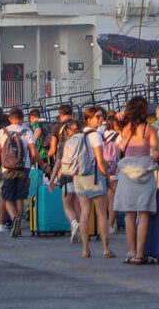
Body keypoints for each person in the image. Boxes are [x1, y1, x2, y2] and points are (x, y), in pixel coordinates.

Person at [113, 96, 158, 264]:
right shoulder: (149, 129)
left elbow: (117, 125)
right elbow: (156, 151)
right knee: (144, 213)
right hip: (145, 175)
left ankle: (132, 252)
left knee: (129, 214)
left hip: (127, 174)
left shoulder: (125, 130)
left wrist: (120, 117)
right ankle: (140, 254)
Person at [73, 107, 116, 258]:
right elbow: (100, 160)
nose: (101, 119)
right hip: (93, 175)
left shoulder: (81, 133)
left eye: (101, 116)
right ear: (89, 119)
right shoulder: (96, 135)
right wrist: (108, 178)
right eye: (97, 117)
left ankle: (86, 250)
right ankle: (106, 249)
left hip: (79, 176)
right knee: (101, 213)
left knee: (84, 212)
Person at [0, 107, 37, 238]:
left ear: (10, 119)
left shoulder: (2, 132)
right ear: (23, 119)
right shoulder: (27, 131)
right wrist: (44, 165)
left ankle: (14, 218)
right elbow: (33, 152)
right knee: (20, 197)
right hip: (23, 168)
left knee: (7, 197)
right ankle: (19, 222)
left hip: (7, 169)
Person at [48, 104, 82, 243]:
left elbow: (58, 162)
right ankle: (82, 229)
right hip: (81, 176)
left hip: (67, 175)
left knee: (68, 205)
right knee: (78, 204)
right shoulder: (83, 141)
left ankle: (74, 224)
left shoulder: (62, 144)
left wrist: (52, 179)